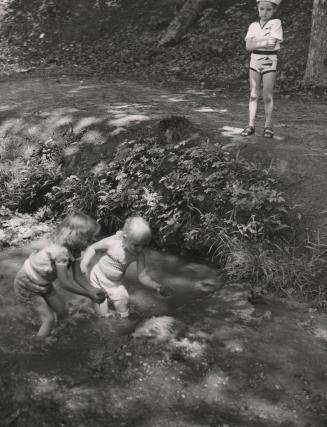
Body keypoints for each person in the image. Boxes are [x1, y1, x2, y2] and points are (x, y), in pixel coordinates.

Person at [14, 212, 106, 342]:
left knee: (63, 311)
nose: (92, 242)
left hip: (43, 284)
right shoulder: (60, 252)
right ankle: (36, 345)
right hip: (26, 284)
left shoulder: (76, 250)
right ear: (76, 237)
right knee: (48, 319)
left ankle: (63, 332)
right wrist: (88, 294)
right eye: (89, 238)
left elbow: (78, 277)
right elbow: (65, 283)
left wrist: (92, 289)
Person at [80, 216, 172, 319]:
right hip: (97, 277)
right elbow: (93, 247)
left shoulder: (139, 255)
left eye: (144, 245)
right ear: (125, 238)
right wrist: (84, 262)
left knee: (124, 314)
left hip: (115, 285)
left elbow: (143, 277)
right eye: (136, 245)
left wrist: (157, 286)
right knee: (102, 315)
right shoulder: (113, 242)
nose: (140, 249)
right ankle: (101, 307)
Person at [241, 0, 283, 138]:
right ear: (258, 9)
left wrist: (255, 42)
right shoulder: (253, 25)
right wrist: (263, 42)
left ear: (274, 10)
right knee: (253, 94)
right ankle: (251, 125)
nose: (265, 12)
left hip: (270, 61)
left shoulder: (276, 23)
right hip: (254, 61)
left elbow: (272, 44)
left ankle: (268, 126)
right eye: (262, 9)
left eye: (268, 9)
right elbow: (248, 46)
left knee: (267, 96)